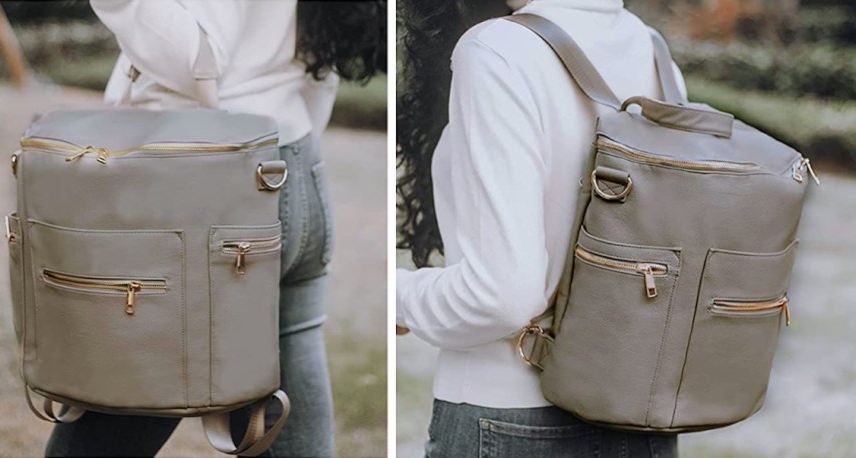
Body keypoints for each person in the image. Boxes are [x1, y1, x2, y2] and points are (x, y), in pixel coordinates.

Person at [45, 1, 385, 456]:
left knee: (109, 423)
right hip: (290, 161)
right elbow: (318, 62)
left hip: (205, 182)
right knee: (285, 375)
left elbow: (197, 59)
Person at [396, 0, 682, 456]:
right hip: (638, 415)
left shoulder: (499, 48)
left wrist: (399, 297)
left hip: (510, 413)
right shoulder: (652, 50)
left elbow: (500, 296)